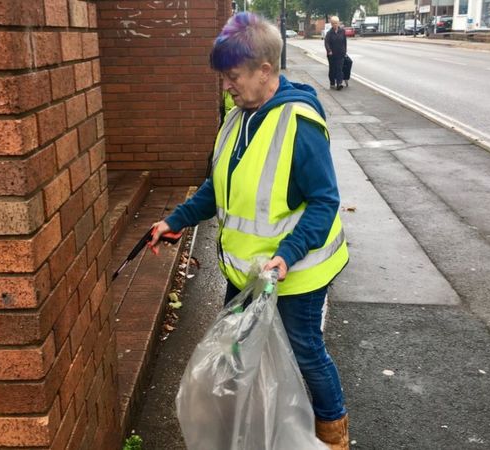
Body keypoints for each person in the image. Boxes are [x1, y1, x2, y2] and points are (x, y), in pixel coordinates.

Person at [150, 12, 350, 450]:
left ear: (265, 70)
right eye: (223, 77)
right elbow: (219, 187)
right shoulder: (239, 117)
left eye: (233, 76)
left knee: (305, 352)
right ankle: (250, 429)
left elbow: (324, 201)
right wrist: (176, 220)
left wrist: (289, 253)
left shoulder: (298, 125)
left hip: (296, 272)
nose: (226, 85)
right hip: (248, 274)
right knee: (238, 352)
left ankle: (334, 436)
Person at [324, 16, 347, 90]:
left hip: (340, 54)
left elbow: (344, 42)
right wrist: (329, 50)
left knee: (339, 69)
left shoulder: (342, 31)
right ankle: (332, 82)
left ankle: (339, 83)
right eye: (333, 23)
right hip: (332, 55)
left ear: (338, 23)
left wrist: (345, 51)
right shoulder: (329, 33)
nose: (335, 25)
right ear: (331, 24)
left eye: (336, 23)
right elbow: (326, 43)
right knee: (332, 69)